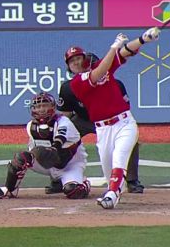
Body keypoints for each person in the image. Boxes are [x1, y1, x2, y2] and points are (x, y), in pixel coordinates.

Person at [66, 27, 161, 209]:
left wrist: (144, 38)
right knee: (109, 172)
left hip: (124, 122)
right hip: (103, 129)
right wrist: (113, 47)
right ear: (68, 67)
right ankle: (116, 189)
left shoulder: (103, 66)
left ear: (85, 59)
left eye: (78, 58)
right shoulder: (76, 83)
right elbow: (99, 72)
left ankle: (111, 196)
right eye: (72, 61)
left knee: (120, 158)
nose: (76, 62)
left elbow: (125, 51)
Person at [54, 51, 144, 196]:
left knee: (131, 142)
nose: (88, 68)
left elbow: (125, 108)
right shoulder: (68, 87)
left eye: (93, 65)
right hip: (82, 119)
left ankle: (132, 180)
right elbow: (65, 115)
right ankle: (58, 178)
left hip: (108, 121)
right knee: (60, 137)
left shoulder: (115, 84)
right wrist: (62, 133)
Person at [0, 92, 91, 200]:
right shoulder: (31, 126)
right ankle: (9, 189)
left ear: (53, 107)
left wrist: (51, 150)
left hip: (70, 164)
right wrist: (40, 154)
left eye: (45, 105)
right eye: (38, 106)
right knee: (21, 158)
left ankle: (84, 183)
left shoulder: (63, 122)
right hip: (49, 163)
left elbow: (60, 140)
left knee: (73, 191)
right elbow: (32, 151)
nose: (41, 109)